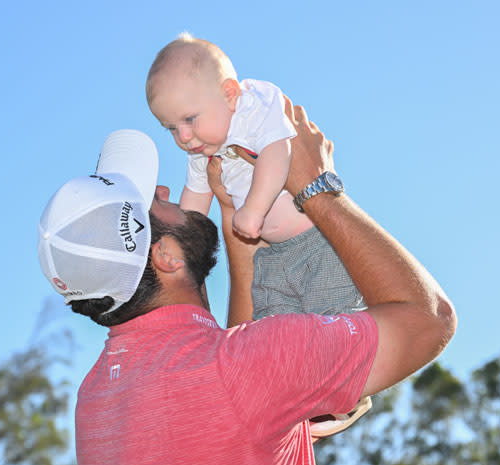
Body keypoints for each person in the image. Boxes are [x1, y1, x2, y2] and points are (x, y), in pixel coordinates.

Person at [37, 102, 456, 465]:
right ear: (166, 257)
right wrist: (319, 189)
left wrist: (234, 214)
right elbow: (430, 319)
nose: (165, 188)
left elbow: (230, 372)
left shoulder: (96, 403)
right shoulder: (246, 369)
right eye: (155, 201)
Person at [146, 33, 369, 435]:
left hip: (315, 239)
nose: (183, 138)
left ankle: (346, 392)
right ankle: (303, 400)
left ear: (229, 94)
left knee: (331, 310)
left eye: (189, 120)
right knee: (275, 324)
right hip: (271, 254)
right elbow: (195, 202)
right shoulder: (202, 151)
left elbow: (278, 153)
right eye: (171, 129)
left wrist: (251, 208)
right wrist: (182, 239)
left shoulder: (256, 106)